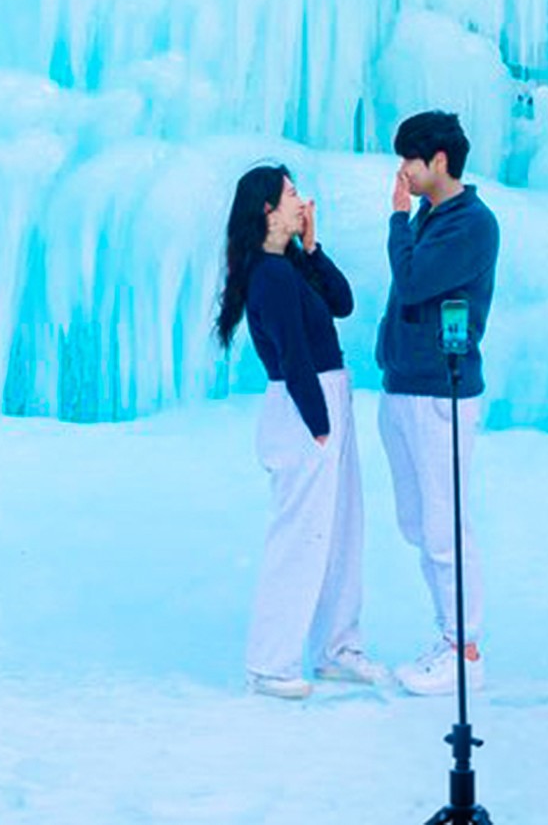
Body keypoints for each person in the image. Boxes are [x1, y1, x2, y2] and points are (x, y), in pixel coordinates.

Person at [216, 163, 390, 699]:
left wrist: (313, 247)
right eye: (291, 195)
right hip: (304, 408)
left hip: (324, 398)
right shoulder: (267, 275)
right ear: (267, 210)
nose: (302, 201)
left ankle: (336, 649)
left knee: (340, 531)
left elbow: (342, 303)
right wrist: (319, 425)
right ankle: (269, 664)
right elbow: (292, 356)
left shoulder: (288, 264)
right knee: (301, 537)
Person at [376, 108, 500, 696]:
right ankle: (449, 636)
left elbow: (415, 280)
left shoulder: (471, 224)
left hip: (439, 396)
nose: (402, 171)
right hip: (405, 385)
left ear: (439, 161)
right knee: (417, 522)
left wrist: (398, 221)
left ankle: (463, 647)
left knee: (444, 524)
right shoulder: (431, 216)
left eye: (409, 160)